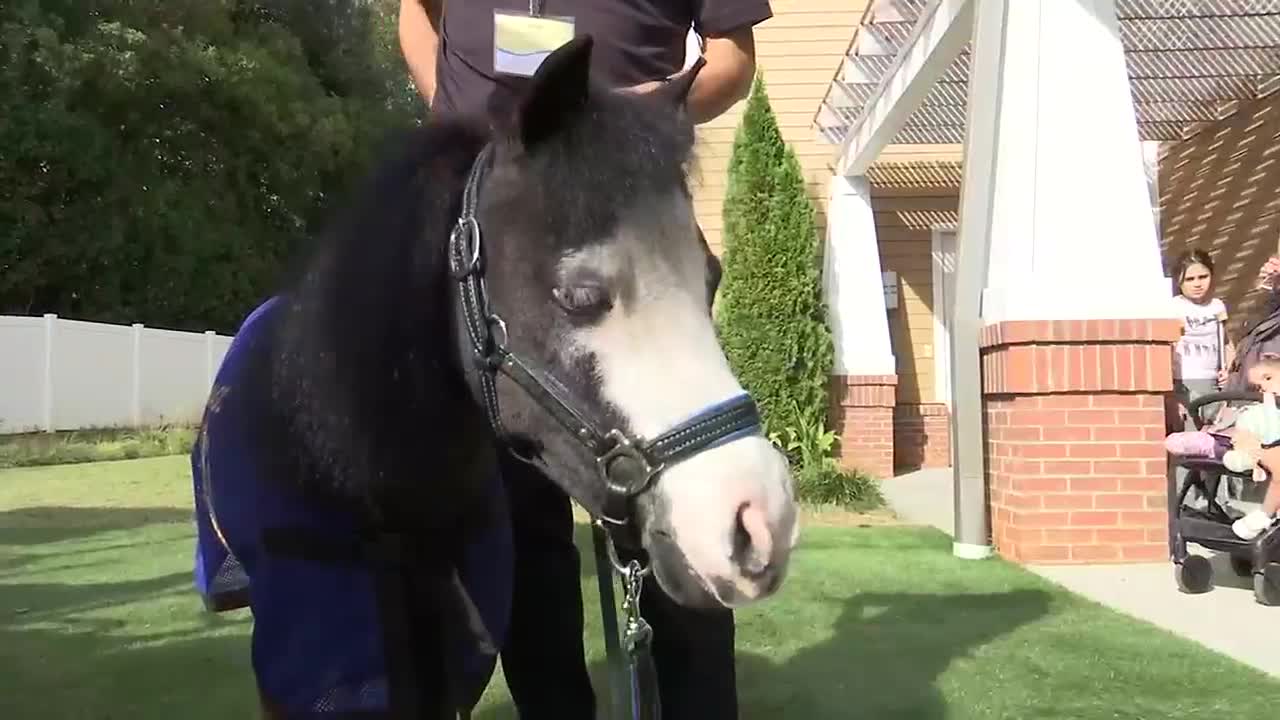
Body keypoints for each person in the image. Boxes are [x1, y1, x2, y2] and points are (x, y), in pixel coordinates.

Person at [397, 3, 772, 718]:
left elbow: (732, 59)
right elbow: (416, 14)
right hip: (500, 229)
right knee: (517, 526)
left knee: (671, 496)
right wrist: (457, 117)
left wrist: (621, 119)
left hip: (625, 221)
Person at [1165, 353, 1280, 538]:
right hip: (1252, 446)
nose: (1264, 387)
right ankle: (1264, 515)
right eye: (1259, 386)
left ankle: (1264, 515)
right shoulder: (1260, 408)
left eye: (1268, 378)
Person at [1168, 249, 1235, 507]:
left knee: (1216, 445)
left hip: (1213, 384)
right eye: (1190, 279)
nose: (1197, 284)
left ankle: (1212, 503)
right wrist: (1173, 394)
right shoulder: (1173, 307)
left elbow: (1227, 342)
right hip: (1185, 383)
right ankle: (1185, 505)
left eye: (1203, 276)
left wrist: (1228, 368)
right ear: (1179, 282)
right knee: (1189, 446)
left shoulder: (1217, 306)